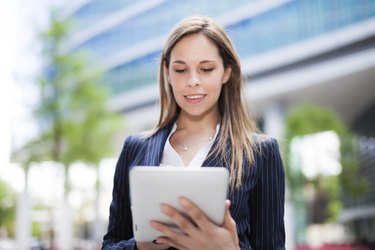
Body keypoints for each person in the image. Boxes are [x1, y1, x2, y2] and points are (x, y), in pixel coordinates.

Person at [102, 16, 285, 250]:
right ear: (167, 73)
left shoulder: (260, 153)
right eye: (181, 70)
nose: (193, 81)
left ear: (226, 72)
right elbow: (110, 244)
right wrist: (140, 247)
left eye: (206, 69)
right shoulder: (135, 148)